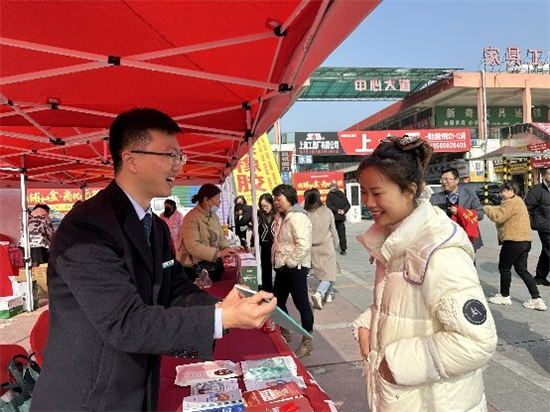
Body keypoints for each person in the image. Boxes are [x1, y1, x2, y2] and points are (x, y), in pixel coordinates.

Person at [30, 108, 276, 412]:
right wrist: (222, 318)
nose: (178, 166)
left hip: (135, 386)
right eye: (170, 155)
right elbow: (126, 322)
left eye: (180, 157)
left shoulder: (156, 228)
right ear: (131, 159)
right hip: (89, 398)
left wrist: (222, 306)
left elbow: (174, 289)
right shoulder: (87, 228)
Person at [352, 135, 497, 412]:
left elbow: (477, 341)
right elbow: (403, 305)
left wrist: (394, 362)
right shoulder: (393, 241)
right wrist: (367, 322)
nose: (368, 202)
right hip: (405, 399)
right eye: (363, 192)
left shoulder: (438, 251)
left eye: (377, 192)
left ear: (410, 191)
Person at [483, 182, 547, 311]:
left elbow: (498, 216)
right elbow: (502, 211)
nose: (501, 193)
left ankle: (504, 296)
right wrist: (493, 207)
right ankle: (536, 299)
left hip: (513, 241)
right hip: (524, 242)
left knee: (504, 268)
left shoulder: (512, 202)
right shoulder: (518, 201)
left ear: (511, 191)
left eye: (503, 191)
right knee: (522, 270)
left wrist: (486, 208)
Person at [271, 184, 313, 358]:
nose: (275, 202)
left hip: (295, 268)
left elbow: (303, 244)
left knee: (302, 304)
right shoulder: (282, 217)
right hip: (282, 267)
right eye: (274, 199)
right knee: (276, 302)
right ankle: (285, 330)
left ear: (288, 198)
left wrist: (290, 262)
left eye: (278, 199)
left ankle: (307, 341)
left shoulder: (298, 218)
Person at [176, 184, 241, 281]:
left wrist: (227, 249)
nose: (220, 201)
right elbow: (193, 246)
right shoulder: (191, 218)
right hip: (193, 269)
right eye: (217, 198)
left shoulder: (214, 216)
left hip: (211, 266)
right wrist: (218, 254)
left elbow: (221, 238)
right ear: (206, 200)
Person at [430, 167, 484, 251]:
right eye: (442, 180)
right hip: (445, 239)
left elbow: (480, 214)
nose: (444, 182)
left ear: (457, 180)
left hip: (467, 237)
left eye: (447, 179)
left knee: (467, 263)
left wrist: (460, 212)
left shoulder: (470, 195)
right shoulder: (435, 198)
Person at [304, 189, 339, 310]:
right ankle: (320, 293)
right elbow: (333, 229)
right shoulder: (327, 211)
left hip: (312, 247)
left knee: (321, 271)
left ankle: (329, 294)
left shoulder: (306, 213)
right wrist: (336, 243)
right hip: (326, 244)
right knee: (329, 272)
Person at [524, 167, 550, 287]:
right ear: (545, 175)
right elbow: (527, 207)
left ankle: (540, 277)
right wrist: (533, 222)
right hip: (544, 226)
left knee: (546, 251)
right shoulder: (537, 190)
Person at [325, 182, 350, 255]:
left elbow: (329, 205)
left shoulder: (330, 195)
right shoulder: (342, 195)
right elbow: (348, 205)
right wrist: (343, 211)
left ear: (332, 188)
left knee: (330, 233)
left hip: (333, 217)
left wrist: (336, 210)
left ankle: (330, 248)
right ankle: (343, 249)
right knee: (342, 233)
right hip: (341, 217)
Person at [258, 193, 275, 292]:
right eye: (262, 206)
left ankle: (278, 289)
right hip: (264, 245)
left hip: (276, 245)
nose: (264, 208)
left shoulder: (277, 215)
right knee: (266, 268)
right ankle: (267, 289)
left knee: (279, 269)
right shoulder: (259, 215)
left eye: (266, 206)